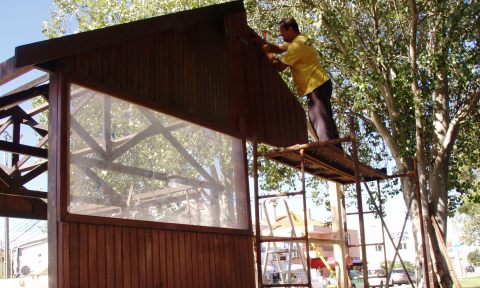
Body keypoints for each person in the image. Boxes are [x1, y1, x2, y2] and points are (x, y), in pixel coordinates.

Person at [260, 17, 342, 150]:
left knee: (319, 119)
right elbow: (281, 48)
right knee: (326, 119)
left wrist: (267, 53)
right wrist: (266, 45)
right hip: (321, 83)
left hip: (315, 85)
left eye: (282, 32)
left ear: (290, 29)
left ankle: (330, 150)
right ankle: (337, 149)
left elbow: (280, 66)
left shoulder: (297, 46)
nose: (281, 35)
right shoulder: (300, 39)